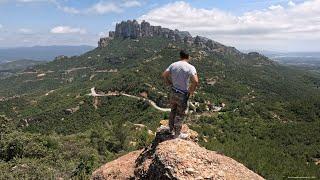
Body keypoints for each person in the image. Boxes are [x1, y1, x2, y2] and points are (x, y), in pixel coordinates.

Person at [162, 50, 199, 138]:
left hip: (173, 91)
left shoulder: (173, 64)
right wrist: (191, 90)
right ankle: (177, 134)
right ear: (188, 57)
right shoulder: (191, 67)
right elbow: (196, 81)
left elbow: (164, 75)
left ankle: (170, 130)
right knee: (180, 114)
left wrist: (169, 83)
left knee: (173, 110)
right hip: (183, 94)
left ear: (180, 56)